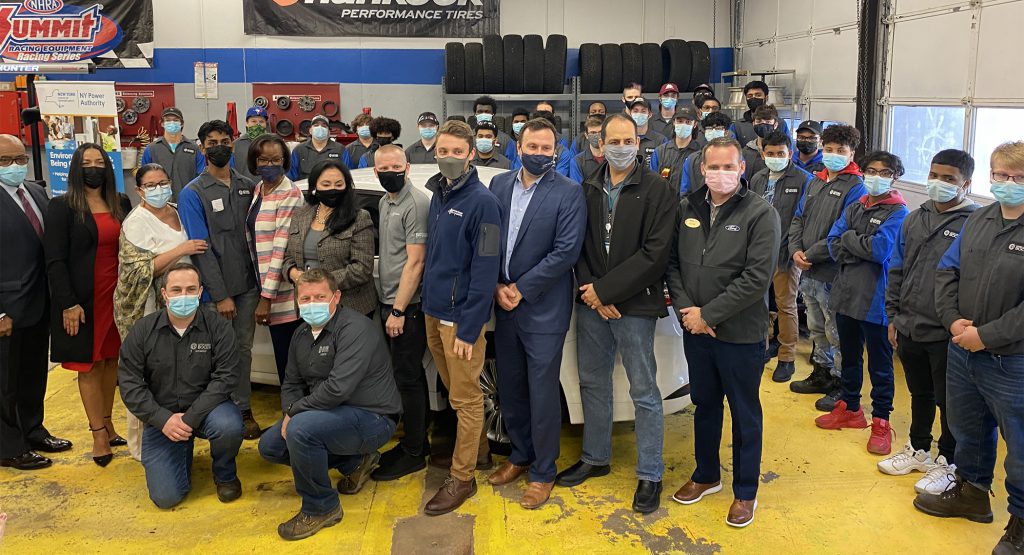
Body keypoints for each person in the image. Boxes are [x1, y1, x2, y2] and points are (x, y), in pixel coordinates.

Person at [558, 113, 677, 514]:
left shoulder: (659, 190)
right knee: (592, 382)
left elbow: (656, 253)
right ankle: (595, 457)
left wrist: (608, 291)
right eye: (614, 140)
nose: (621, 147)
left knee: (643, 390)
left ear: (639, 142)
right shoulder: (588, 186)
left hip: (636, 304)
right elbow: (579, 245)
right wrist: (592, 292)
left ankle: (650, 473)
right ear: (600, 142)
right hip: (592, 302)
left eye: (628, 140)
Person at [914, 141, 1024, 555]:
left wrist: (987, 335)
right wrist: (953, 321)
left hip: (1013, 360)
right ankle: (973, 493)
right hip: (963, 349)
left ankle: (1021, 524)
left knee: (1021, 445)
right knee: (968, 429)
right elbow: (947, 272)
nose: (1008, 184)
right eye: (1001, 175)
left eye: (1018, 178)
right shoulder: (978, 220)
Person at [667, 136, 780, 528]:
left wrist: (709, 314)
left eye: (728, 167)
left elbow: (756, 278)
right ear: (702, 169)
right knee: (705, 404)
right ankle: (706, 474)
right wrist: (690, 313)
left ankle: (746, 491)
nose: (720, 174)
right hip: (696, 330)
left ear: (742, 168)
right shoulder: (687, 207)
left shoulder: (760, 214)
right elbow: (673, 266)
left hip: (739, 334)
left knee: (745, 412)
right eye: (713, 167)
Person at [258, 269, 401, 541]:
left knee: (300, 430)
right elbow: (291, 383)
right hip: (329, 415)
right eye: (306, 298)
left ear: (336, 297)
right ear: (297, 301)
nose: (313, 304)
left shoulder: (355, 329)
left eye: (320, 296)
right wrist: (290, 410)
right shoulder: (300, 335)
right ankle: (355, 463)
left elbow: (338, 388)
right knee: (271, 446)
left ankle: (321, 506)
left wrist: (296, 413)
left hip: (372, 417)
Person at [488, 118, 586, 509]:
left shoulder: (568, 192)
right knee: (510, 387)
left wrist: (521, 289)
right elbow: (488, 240)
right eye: (533, 146)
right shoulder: (497, 185)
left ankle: (544, 472)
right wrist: (496, 284)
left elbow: (565, 252)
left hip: (543, 309)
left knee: (542, 392)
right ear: (518, 145)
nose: (539, 154)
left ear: (556, 151)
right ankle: (520, 455)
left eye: (547, 148)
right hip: (504, 304)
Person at [881, 149, 978, 494]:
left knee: (948, 400)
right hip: (909, 324)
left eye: (948, 179)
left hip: (945, 332)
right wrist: (893, 315)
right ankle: (919, 448)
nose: (938, 183)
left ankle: (947, 460)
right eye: (934, 175)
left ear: (966, 184)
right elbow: (897, 267)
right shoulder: (914, 217)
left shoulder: (974, 222)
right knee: (918, 392)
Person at [420, 119, 501, 515]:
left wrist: (469, 329)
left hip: (460, 320)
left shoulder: (483, 203)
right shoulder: (438, 192)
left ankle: (462, 478)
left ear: (471, 154)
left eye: (457, 151)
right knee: (456, 393)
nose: (449, 157)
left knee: (466, 399)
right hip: (434, 313)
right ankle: (481, 453)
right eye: (443, 150)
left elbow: (486, 271)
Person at [119, 262, 244, 509]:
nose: (183, 296)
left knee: (228, 426)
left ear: (200, 293)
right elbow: (130, 382)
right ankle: (180, 448)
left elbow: (226, 377)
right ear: (164, 294)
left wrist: (189, 419)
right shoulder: (143, 330)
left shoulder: (218, 327)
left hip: (208, 410)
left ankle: (225, 473)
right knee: (166, 498)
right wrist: (162, 419)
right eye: (176, 290)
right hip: (162, 417)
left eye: (190, 289)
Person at [814, 151, 909, 457]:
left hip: (875, 301)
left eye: (884, 172)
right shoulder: (857, 205)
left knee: (881, 367)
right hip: (845, 296)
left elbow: (881, 250)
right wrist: (857, 243)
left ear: (894, 176)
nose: (876, 176)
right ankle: (852, 408)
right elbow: (833, 242)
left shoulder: (899, 213)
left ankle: (881, 421)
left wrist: (850, 241)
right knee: (850, 357)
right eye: (871, 170)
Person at [45, 143, 131, 467]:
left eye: (99, 162)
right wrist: (67, 303)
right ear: (76, 169)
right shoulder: (62, 206)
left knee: (111, 362)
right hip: (82, 301)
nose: (93, 168)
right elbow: (54, 260)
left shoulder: (119, 202)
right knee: (90, 365)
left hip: (117, 296)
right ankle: (97, 432)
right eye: (86, 163)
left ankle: (108, 423)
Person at [114, 163, 208, 461]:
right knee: (147, 375)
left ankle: (177, 435)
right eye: (151, 185)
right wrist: (183, 250)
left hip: (183, 305)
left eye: (163, 182)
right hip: (149, 309)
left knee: (176, 375)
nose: (158, 189)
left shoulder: (178, 210)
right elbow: (140, 271)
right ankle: (143, 448)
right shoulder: (136, 222)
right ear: (139, 190)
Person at [177, 120, 262, 439]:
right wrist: (220, 295)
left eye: (225, 140)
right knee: (216, 353)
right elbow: (201, 250)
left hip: (248, 287)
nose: (219, 147)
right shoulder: (192, 193)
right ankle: (215, 411)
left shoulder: (247, 185)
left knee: (243, 350)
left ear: (234, 142)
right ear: (201, 148)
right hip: (216, 293)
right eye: (211, 142)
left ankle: (242, 408)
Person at [0, 134, 72, 471]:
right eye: (5, 161)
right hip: (7, 310)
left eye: (19, 158)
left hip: (40, 303)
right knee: (5, 381)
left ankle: (33, 429)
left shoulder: (38, 192)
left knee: (32, 374)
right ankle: (9, 446)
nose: (14, 166)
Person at [788, 124, 866, 410]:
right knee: (816, 325)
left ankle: (841, 383)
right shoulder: (816, 180)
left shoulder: (856, 187)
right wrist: (795, 249)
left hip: (833, 273)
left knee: (837, 331)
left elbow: (842, 232)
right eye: (830, 150)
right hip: (807, 270)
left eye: (840, 151)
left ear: (851, 153)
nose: (834, 155)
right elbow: (798, 218)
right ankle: (821, 371)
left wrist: (811, 253)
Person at [368, 145, 432, 481]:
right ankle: (417, 439)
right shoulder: (384, 201)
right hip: (389, 301)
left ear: (406, 167)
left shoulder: (415, 203)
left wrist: (398, 310)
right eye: (384, 167)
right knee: (406, 375)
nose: (390, 171)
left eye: (396, 165)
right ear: (375, 172)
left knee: (407, 377)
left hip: (408, 306)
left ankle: (414, 451)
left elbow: (416, 261)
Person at [747, 132, 814, 383]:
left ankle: (787, 356)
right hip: (757, 252)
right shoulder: (757, 178)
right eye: (771, 154)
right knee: (758, 303)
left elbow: (802, 219)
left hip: (785, 253)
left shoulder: (804, 180)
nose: (775, 158)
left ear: (790, 153)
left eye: (781, 154)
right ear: (763, 154)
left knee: (786, 306)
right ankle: (761, 347)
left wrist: (794, 249)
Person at [283, 160, 378, 318]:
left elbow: (362, 269)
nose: (332, 189)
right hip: (309, 305)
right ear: (314, 187)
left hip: (350, 307)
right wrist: (293, 273)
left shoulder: (360, 217)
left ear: (347, 187)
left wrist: (320, 283)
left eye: (339, 184)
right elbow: (288, 256)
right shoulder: (301, 214)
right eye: (326, 185)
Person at [247, 134, 305, 383]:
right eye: (263, 159)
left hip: (282, 293)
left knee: (289, 364)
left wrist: (266, 298)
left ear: (284, 161)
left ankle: (293, 417)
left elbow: (281, 247)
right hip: (263, 284)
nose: (269, 165)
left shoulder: (289, 193)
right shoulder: (259, 189)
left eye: (275, 159)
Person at [140, 107, 206, 200]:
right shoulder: (151, 149)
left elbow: (202, 177)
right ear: (162, 123)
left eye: (175, 120)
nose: (172, 123)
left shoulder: (195, 148)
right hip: (160, 201)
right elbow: (144, 178)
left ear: (182, 123)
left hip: (189, 200)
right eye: (168, 120)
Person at [679, 111, 732, 196]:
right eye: (709, 128)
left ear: (726, 133)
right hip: (696, 207)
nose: (713, 131)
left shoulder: (734, 159)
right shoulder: (692, 159)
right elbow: (685, 192)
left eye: (718, 128)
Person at [729, 81, 791, 146]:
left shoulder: (780, 123)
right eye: (750, 96)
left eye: (758, 95)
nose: (753, 98)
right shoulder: (737, 126)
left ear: (766, 98)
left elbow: (789, 148)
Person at [650, 105, 701, 182]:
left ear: (695, 124)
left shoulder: (700, 153)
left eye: (688, 122)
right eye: (680, 121)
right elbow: (652, 180)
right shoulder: (660, 152)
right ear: (673, 122)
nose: (683, 125)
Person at [288, 115, 345, 181]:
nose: (320, 128)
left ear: (329, 132)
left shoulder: (340, 149)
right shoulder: (299, 150)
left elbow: (349, 175)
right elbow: (291, 177)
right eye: (316, 125)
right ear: (310, 130)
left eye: (324, 126)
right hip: (305, 190)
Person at [741, 104, 780, 180]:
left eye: (768, 122)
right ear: (753, 124)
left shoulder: (781, 151)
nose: (763, 124)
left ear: (775, 125)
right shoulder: (746, 151)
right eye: (759, 121)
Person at [626, 98, 668, 167]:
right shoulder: (623, 139)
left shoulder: (661, 140)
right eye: (635, 111)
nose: (639, 114)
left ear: (650, 114)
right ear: (630, 114)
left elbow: (665, 166)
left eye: (643, 111)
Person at [233, 106, 269, 181]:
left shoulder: (274, 144)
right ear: (247, 123)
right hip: (243, 189)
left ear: (266, 124)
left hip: (269, 189)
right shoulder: (235, 145)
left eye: (261, 121)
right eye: (254, 121)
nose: (258, 125)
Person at [569, 115, 605, 184]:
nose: (597, 135)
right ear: (586, 135)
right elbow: (577, 189)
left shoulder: (613, 157)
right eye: (593, 133)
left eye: (600, 132)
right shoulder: (577, 162)